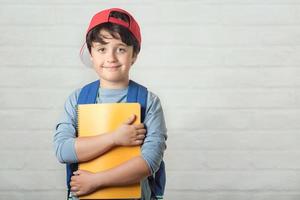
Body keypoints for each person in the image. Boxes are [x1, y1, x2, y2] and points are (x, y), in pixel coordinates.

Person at [53, 8, 167, 200]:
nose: (111, 57)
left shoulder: (149, 102)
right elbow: (62, 150)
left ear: (134, 55)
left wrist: (96, 180)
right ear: (91, 53)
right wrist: (115, 138)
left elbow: (149, 162)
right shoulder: (77, 99)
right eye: (101, 49)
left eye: (121, 49)